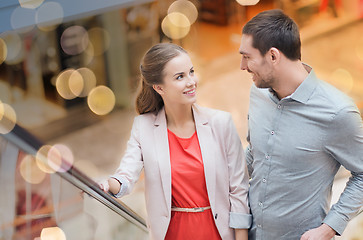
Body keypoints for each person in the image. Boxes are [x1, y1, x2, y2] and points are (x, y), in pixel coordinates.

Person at [99, 43, 251, 240]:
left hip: (218, 233)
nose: (191, 82)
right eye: (180, 77)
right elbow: (126, 177)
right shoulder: (143, 127)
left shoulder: (221, 123)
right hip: (172, 234)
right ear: (158, 87)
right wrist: (107, 185)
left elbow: (239, 190)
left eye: (191, 72)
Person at [239, 9, 363, 240]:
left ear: (273, 56)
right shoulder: (258, 95)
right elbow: (254, 153)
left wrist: (328, 229)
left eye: (247, 57)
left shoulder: (338, 112)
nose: (242, 66)